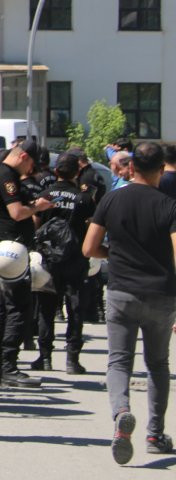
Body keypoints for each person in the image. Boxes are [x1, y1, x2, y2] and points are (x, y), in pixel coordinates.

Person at [82, 142, 176, 465]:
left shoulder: (111, 199)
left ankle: (121, 411)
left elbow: (89, 247)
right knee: (158, 364)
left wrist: (115, 256)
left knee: (119, 361)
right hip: (161, 294)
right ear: (161, 171)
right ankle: (154, 434)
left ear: (131, 168)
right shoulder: (169, 205)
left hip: (121, 290)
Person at [0, 139, 52, 386]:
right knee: (19, 308)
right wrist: (38, 205)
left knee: (2, 309)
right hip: (10, 250)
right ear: (23, 157)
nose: (31, 171)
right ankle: (8, 366)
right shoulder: (7, 176)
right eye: (31, 164)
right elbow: (17, 212)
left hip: (0, 248)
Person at [32, 154, 95, 374]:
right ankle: (72, 360)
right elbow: (91, 226)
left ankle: (45, 357)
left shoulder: (45, 194)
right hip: (76, 259)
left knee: (46, 308)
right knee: (75, 309)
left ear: (56, 171)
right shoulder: (83, 198)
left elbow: (35, 224)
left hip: (49, 259)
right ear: (76, 173)